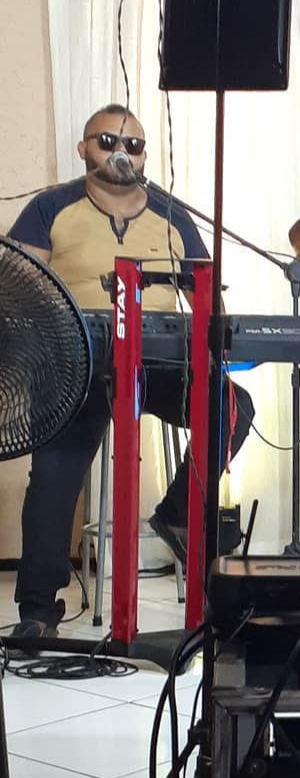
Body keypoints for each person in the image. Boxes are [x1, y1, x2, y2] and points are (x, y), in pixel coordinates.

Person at [6, 104, 253, 637]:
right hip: (78, 362)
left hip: (160, 360)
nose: (122, 152)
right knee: (54, 474)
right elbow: (18, 287)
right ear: (83, 149)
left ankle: (176, 514)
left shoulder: (173, 214)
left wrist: (217, 340)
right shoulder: (50, 208)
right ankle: (38, 613)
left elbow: (204, 290)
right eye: (107, 141)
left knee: (233, 406)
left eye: (134, 145)